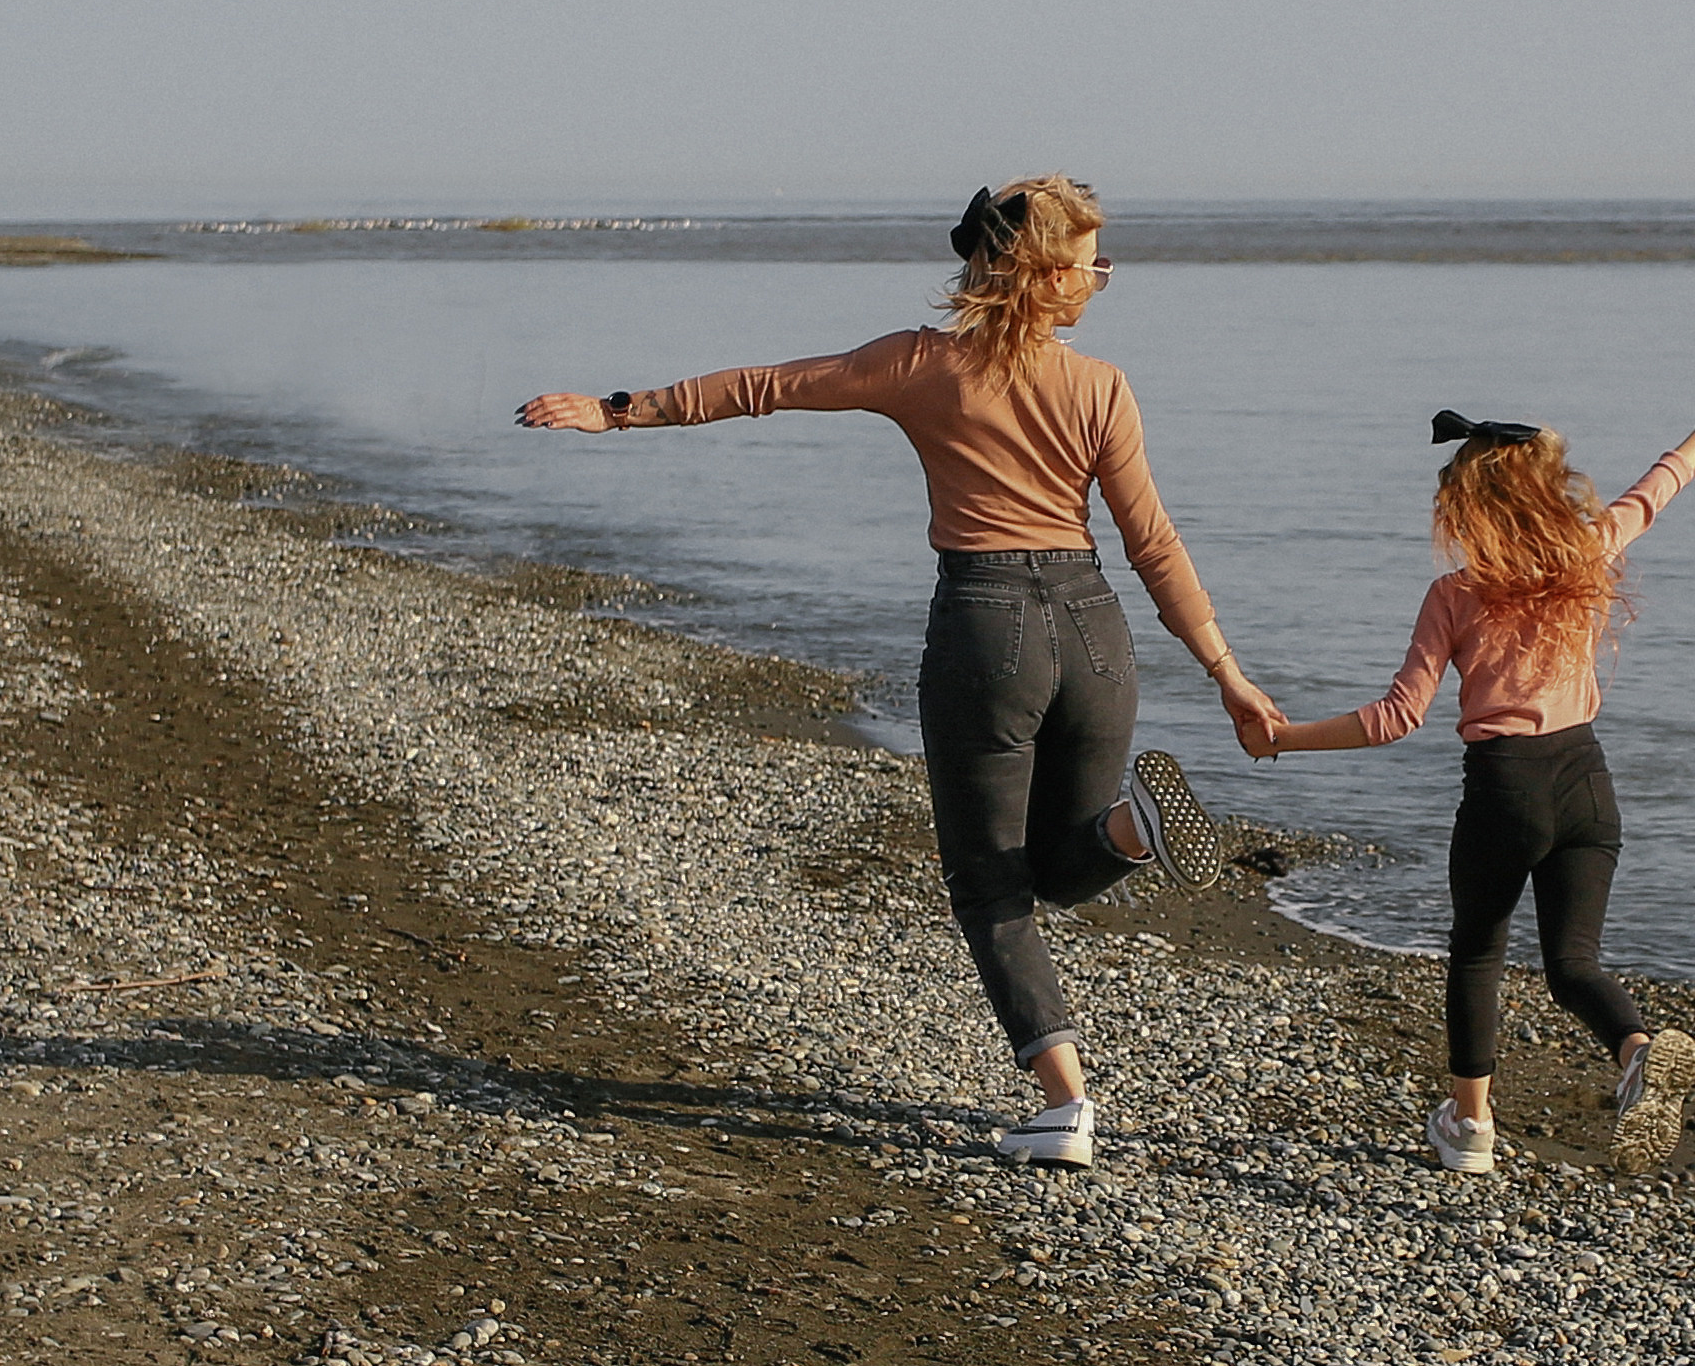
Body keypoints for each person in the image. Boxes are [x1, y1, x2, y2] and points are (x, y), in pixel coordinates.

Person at [516, 177, 1280, 1170]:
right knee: (1064, 865)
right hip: (1096, 632)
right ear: (1047, 277)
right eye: (1091, 267)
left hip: (989, 630)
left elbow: (770, 385)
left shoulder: (923, 364)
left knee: (990, 881)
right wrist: (1226, 673)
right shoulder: (1101, 386)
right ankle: (1134, 828)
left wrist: (620, 412)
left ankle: (1066, 1107)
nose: (1098, 281)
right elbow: (1153, 545)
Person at [1248, 366, 1695, 1177]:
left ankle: (1471, 1127)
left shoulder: (1454, 594)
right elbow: (1654, 491)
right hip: (1587, 783)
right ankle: (1635, 1051)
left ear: (1468, 507)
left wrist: (1283, 739)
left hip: (1505, 788)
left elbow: (1396, 718)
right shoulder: (1587, 554)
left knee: (1478, 951)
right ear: (1547, 493)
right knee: (1574, 964)